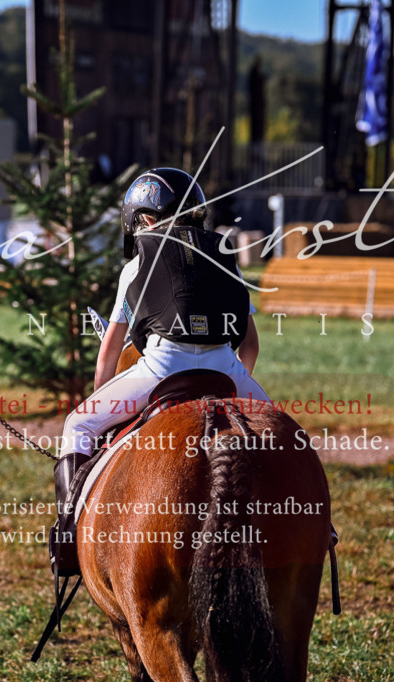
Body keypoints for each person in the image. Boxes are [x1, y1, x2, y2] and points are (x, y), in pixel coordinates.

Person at [50, 168, 269, 575]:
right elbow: (250, 344)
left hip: (162, 367)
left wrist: (102, 402)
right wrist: (235, 389)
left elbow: (109, 351)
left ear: (146, 219)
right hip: (226, 366)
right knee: (284, 435)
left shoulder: (136, 265)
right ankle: (321, 527)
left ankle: (68, 537)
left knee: (77, 425)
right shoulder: (225, 256)